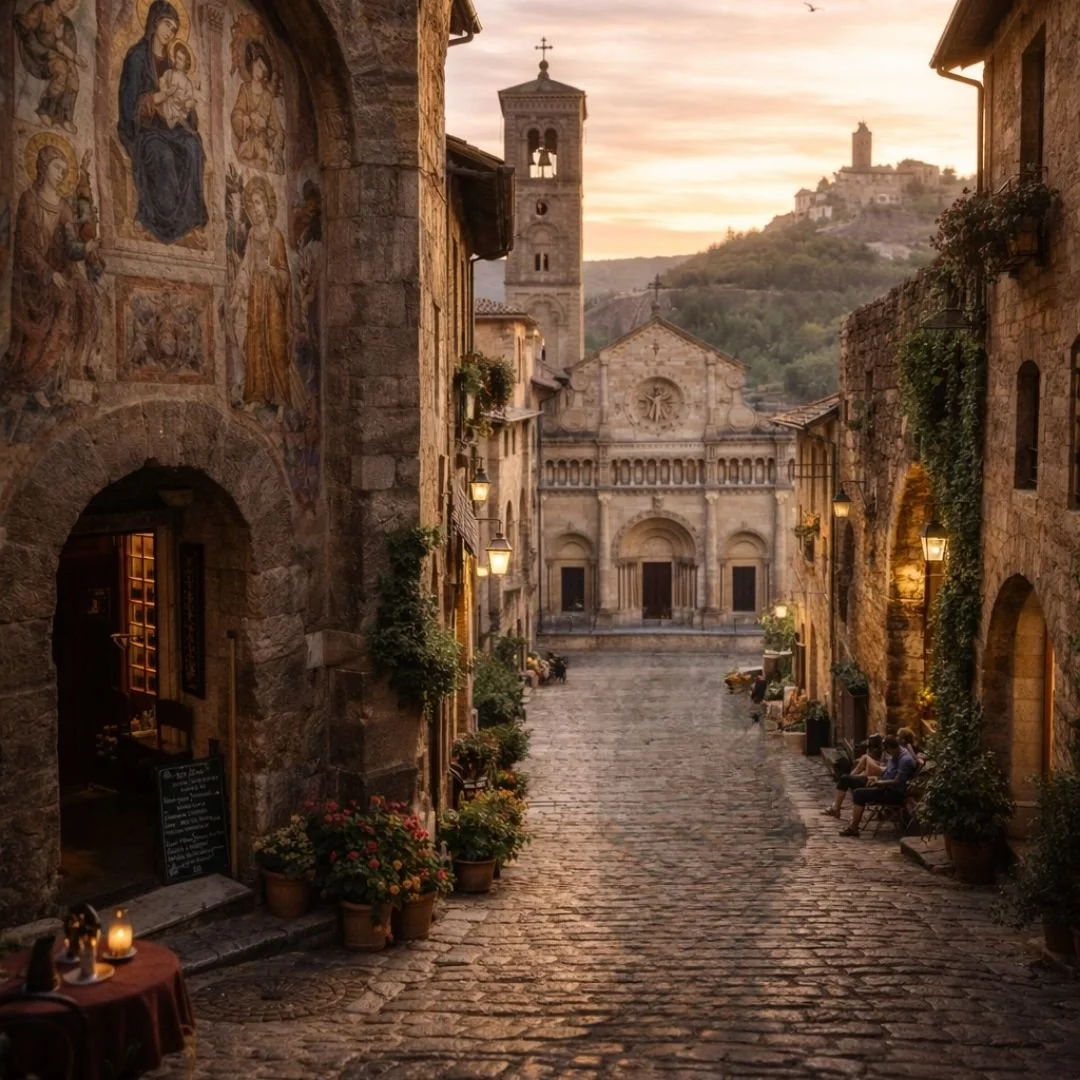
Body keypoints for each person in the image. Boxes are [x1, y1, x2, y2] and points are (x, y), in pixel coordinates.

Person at [838, 735, 918, 837]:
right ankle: (846, 816)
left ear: (891, 748)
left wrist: (879, 783)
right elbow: (887, 772)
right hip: (884, 785)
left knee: (859, 793)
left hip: (894, 793)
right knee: (850, 780)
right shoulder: (894, 755)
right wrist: (876, 779)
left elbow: (897, 781)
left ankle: (853, 828)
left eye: (888, 750)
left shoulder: (905, 760)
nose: (887, 754)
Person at [823, 733, 884, 817]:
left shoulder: (885, 753)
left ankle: (835, 807)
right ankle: (836, 807)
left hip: (875, 779)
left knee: (863, 759)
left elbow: (880, 768)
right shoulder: (877, 751)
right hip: (871, 776)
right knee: (849, 774)